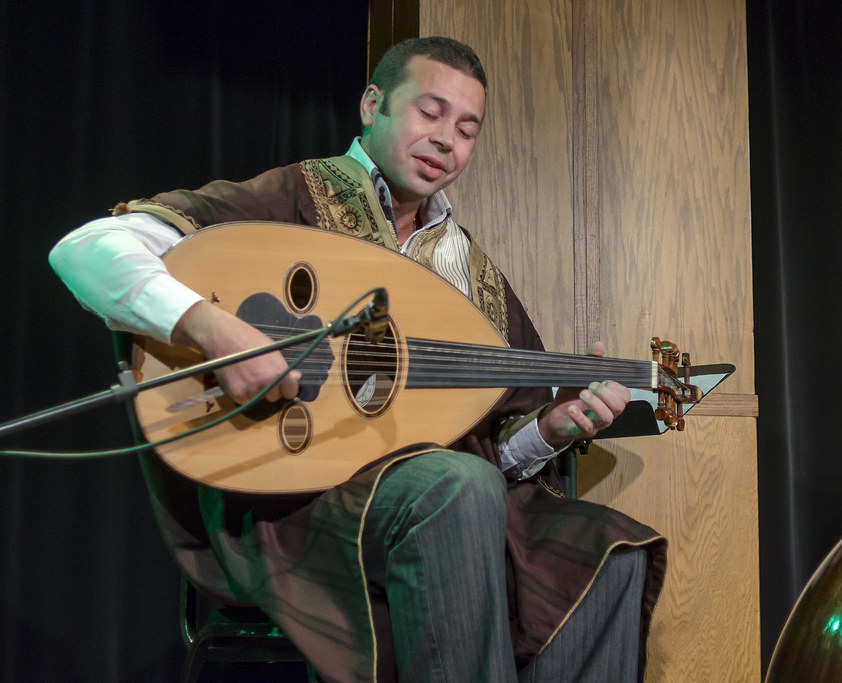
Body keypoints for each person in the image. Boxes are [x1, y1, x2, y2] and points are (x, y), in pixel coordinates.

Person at [50, 36, 666, 682]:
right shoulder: (293, 197)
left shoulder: (471, 274)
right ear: (373, 105)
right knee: (457, 487)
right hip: (290, 502)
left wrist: (548, 431)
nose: (445, 140)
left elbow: (490, 452)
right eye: (430, 112)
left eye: (466, 129)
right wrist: (213, 331)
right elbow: (86, 250)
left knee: (608, 557)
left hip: (435, 500)